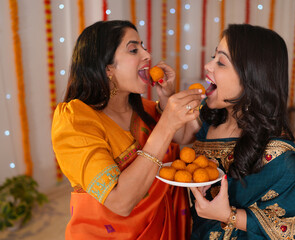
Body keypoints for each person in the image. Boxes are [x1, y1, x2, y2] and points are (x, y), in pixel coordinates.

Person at [51, 20, 204, 239]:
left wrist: (167, 98)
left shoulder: (146, 109)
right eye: (134, 49)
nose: (147, 55)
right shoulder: (75, 120)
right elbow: (120, 202)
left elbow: (185, 136)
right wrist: (166, 124)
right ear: (107, 68)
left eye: (143, 47)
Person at [188, 24, 295, 239]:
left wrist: (228, 215)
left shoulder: (282, 161)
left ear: (252, 79)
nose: (207, 66)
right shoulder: (210, 118)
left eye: (220, 62)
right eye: (213, 57)